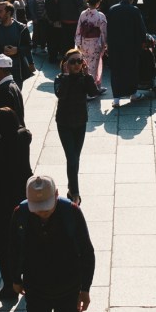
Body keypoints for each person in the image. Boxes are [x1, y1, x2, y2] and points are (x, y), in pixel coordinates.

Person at [9, 175, 95, 312]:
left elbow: (87, 252)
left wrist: (85, 289)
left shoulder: (71, 213)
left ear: (57, 195)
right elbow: (14, 248)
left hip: (69, 289)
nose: (42, 212)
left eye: (46, 207)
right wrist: (15, 278)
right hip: (36, 289)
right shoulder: (21, 214)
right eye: (37, 208)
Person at [0, 106, 32, 300]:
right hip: (23, 197)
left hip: (3, 202)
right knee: (25, 240)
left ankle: (10, 286)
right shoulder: (24, 137)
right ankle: (28, 279)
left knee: (4, 245)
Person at [54, 49, 99, 204]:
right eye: (72, 62)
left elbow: (93, 92)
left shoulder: (84, 78)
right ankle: (75, 194)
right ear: (66, 64)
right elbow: (61, 94)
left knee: (75, 158)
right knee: (72, 158)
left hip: (80, 123)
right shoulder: (60, 78)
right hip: (64, 123)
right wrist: (67, 76)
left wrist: (88, 75)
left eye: (79, 61)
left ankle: (71, 187)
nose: (77, 65)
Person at [106, 0, 147, 104]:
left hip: (115, 46)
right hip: (131, 46)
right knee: (131, 70)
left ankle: (116, 98)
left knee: (116, 70)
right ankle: (133, 93)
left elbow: (108, 29)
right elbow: (141, 29)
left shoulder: (112, 9)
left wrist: (108, 44)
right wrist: (143, 41)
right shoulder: (134, 10)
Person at [74, 0, 107, 93]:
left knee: (84, 65)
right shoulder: (100, 16)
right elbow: (103, 32)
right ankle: (91, 90)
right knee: (93, 67)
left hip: (84, 43)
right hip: (95, 44)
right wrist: (104, 45)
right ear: (97, 3)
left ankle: (90, 87)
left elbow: (78, 30)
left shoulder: (83, 14)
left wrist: (78, 44)